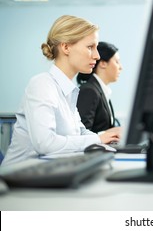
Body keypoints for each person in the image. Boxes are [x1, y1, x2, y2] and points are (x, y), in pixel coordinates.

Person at [2, 15, 121, 166]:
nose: (97, 56)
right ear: (66, 47)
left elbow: (81, 132)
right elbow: (45, 143)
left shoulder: (68, 90)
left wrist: (108, 139)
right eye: (90, 47)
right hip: (18, 179)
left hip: (47, 172)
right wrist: (98, 139)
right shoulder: (42, 85)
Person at [76, 41, 122, 134]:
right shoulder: (89, 91)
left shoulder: (101, 90)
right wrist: (108, 134)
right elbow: (81, 134)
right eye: (117, 62)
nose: (121, 67)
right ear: (103, 63)